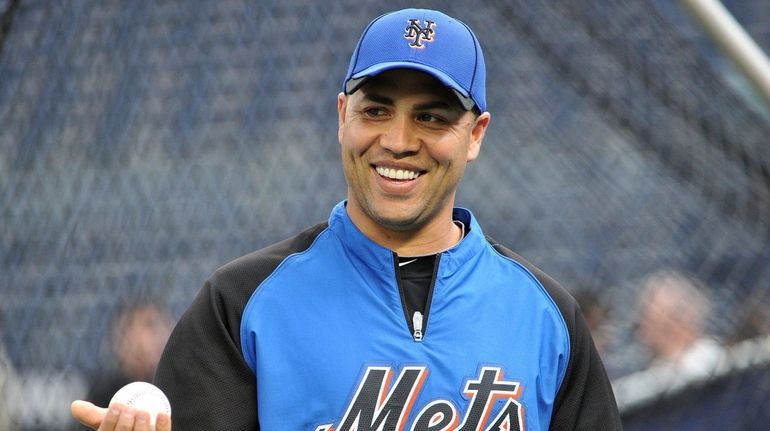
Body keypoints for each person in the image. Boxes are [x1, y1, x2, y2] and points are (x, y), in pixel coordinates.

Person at [72, 8, 621, 430]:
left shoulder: (548, 319)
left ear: (475, 135)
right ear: (342, 117)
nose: (399, 141)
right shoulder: (240, 306)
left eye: (431, 116)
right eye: (376, 110)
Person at [612, 269, 725, 409]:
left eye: (648, 321)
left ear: (674, 322)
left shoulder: (708, 356)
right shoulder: (657, 368)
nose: (641, 332)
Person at [86, 301, 174, 408]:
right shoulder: (105, 392)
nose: (161, 332)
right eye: (150, 325)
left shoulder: (175, 385)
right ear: (124, 335)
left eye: (165, 324)